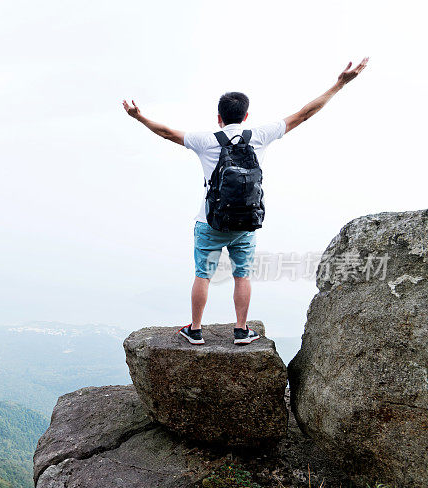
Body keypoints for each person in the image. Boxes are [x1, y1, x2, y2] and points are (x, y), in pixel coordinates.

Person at [122, 58, 369, 345]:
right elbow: (303, 114)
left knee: (203, 275)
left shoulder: (206, 140)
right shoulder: (260, 136)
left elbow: (166, 132)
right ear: (246, 115)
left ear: (219, 117)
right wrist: (339, 84)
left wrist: (140, 117)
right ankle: (241, 330)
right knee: (242, 275)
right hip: (246, 221)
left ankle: (196, 330)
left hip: (210, 220)